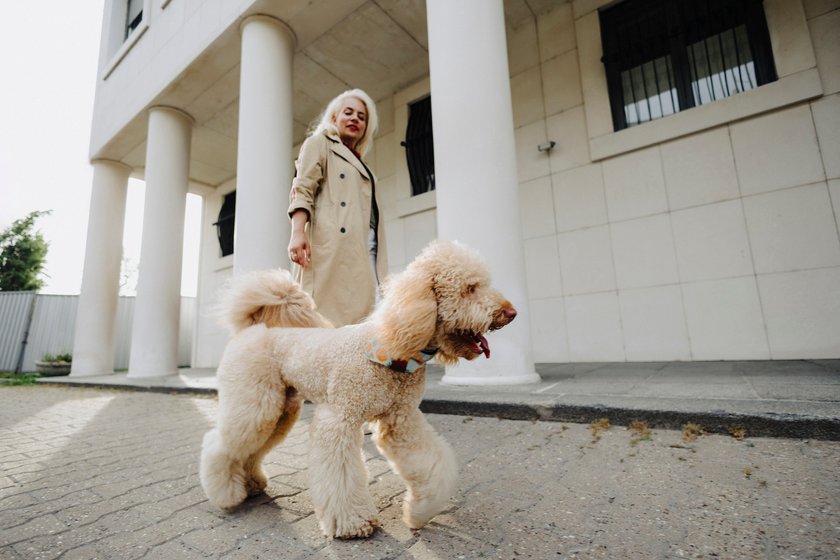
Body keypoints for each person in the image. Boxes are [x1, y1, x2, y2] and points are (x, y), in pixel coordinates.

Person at [287, 89, 387, 327]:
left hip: (364, 252)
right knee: (322, 322)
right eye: (348, 113)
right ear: (334, 117)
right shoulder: (319, 143)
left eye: (361, 117)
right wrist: (298, 232)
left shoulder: (363, 166)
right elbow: (303, 188)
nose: (355, 119)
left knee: (362, 324)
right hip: (330, 249)